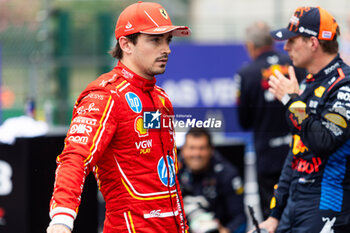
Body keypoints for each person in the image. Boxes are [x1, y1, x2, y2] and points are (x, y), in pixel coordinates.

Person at [46, 2, 191, 233]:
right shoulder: (105, 95)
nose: (166, 49)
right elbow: (75, 157)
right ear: (126, 44)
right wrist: (62, 218)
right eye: (155, 40)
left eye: (168, 40)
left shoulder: (161, 98)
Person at [249, 6, 350, 233]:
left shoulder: (345, 85)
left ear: (313, 43)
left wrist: (292, 101)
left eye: (292, 41)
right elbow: (295, 153)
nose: (285, 47)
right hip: (296, 202)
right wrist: (275, 216)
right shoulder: (308, 84)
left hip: (327, 203)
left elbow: (324, 141)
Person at [235, 21, 305, 219]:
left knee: (271, 216)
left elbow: (244, 121)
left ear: (250, 45)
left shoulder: (246, 73)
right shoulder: (296, 66)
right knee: (301, 213)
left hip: (267, 157)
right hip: (299, 151)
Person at [178, 128, 246, 233]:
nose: (196, 154)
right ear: (183, 150)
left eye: (202, 148)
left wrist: (227, 230)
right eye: (192, 148)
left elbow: (240, 219)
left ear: (211, 150)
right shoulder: (171, 171)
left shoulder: (227, 174)